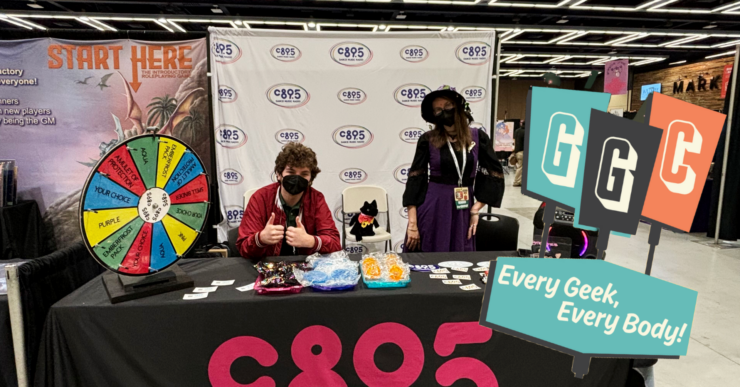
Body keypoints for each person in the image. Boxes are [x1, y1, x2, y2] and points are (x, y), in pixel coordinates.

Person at [403, 85, 505, 252]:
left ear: (459, 107)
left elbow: (494, 172)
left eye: (448, 106)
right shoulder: (428, 139)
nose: (444, 111)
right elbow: (416, 180)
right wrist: (412, 224)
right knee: (430, 256)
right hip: (434, 206)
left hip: (463, 209)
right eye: (437, 109)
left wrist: (476, 209)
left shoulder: (478, 137)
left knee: (459, 260)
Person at [236, 142, 341, 259]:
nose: (297, 178)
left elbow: (335, 244)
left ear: (311, 178)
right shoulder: (260, 197)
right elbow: (243, 247)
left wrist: (311, 241)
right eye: (291, 172)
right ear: (279, 174)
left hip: (305, 268)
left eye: (304, 174)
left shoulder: (316, 199)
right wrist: (260, 239)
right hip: (268, 266)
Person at [513, 122, 525, 187]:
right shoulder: (525, 132)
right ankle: (516, 181)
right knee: (520, 167)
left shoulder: (517, 131)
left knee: (519, 167)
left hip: (517, 151)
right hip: (522, 152)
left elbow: (514, 141)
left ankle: (519, 181)